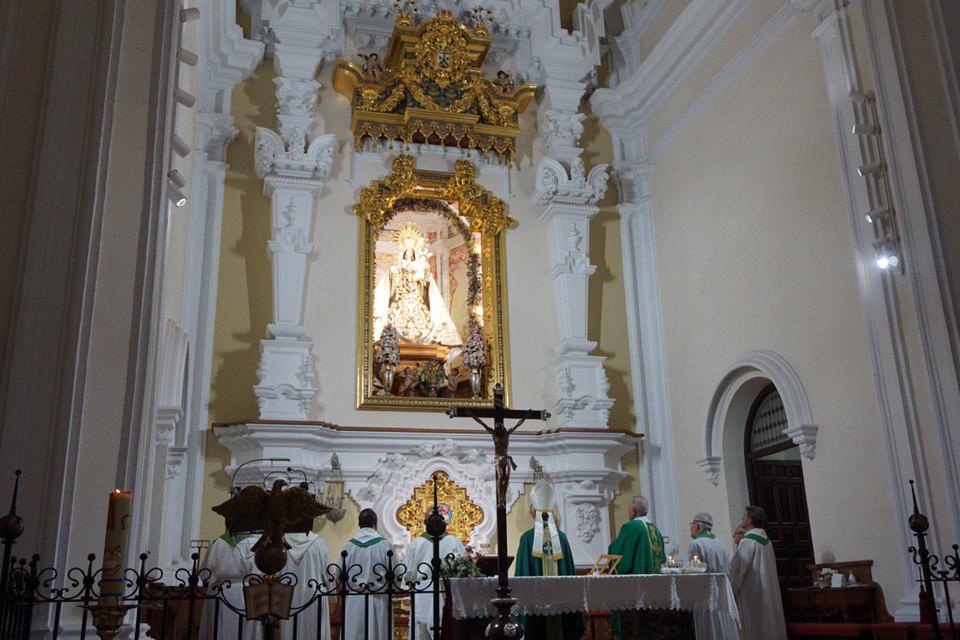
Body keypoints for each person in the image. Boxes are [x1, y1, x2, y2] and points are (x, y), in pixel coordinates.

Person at [514, 478, 583, 640]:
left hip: (534, 600)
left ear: (533, 515)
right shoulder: (562, 538)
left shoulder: (527, 539)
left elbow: (522, 573)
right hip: (561, 599)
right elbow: (569, 573)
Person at [607, 496, 668, 638]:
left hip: (635, 590)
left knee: (635, 629)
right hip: (655, 588)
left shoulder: (631, 527)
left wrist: (611, 549)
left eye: (629, 509)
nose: (628, 512)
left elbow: (619, 555)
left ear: (633, 511)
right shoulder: (655, 529)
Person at [403, 508, 467, 640]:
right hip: (448, 592)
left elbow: (407, 574)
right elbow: (464, 570)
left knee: (421, 632)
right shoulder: (455, 542)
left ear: (425, 523)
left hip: (423, 591)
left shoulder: (416, 544)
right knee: (447, 630)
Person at [729, 506, 787, 640]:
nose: (741, 518)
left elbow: (738, 570)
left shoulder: (748, 541)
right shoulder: (766, 541)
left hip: (753, 593)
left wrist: (731, 589)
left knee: (755, 627)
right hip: (768, 591)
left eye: (743, 516)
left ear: (749, 521)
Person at [342, 509, 393, 640]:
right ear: (375, 523)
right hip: (379, 600)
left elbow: (339, 575)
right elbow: (396, 575)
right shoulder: (385, 545)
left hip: (354, 601)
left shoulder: (349, 546)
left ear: (359, 524)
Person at [200, 531, 261, 640]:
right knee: (243, 630)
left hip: (220, 590)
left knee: (220, 628)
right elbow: (258, 574)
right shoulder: (253, 543)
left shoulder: (217, 543)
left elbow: (205, 573)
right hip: (245, 592)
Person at [688, 513, 740, 640]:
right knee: (722, 625)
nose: (690, 528)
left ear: (698, 527)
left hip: (705, 593)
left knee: (708, 628)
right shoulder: (720, 544)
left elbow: (694, 574)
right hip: (722, 593)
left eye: (692, 525)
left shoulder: (696, 544)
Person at [280, 529, 334, 640]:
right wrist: (332, 594)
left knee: (291, 631)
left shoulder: (283, 544)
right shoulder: (318, 543)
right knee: (315, 631)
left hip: (290, 595)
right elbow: (328, 572)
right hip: (314, 594)